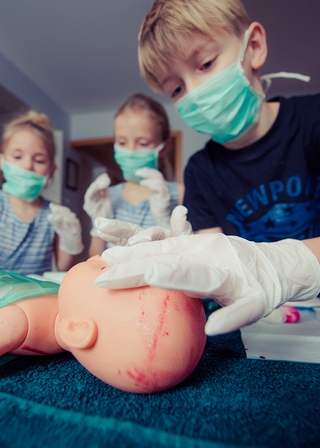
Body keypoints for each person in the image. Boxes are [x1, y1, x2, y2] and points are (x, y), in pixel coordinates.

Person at [92, 0, 320, 333]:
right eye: (177, 88)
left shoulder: (313, 122)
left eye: (206, 63)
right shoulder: (199, 173)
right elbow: (218, 269)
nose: (195, 93)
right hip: (262, 326)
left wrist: (288, 267)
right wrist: (188, 259)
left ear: (253, 47)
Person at [0, 258, 206, 393]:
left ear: (76, 330)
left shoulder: (18, 323)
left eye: (102, 268)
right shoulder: (67, 303)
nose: (99, 257)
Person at [83, 93, 184, 257]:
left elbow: (191, 257)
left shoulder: (178, 193)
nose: (130, 151)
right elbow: (95, 259)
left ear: (164, 147)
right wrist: (98, 224)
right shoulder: (109, 196)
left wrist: (165, 221)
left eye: (142, 143)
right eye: (122, 142)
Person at [0, 110, 84, 275]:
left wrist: (71, 242)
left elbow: (64, 268)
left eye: (39, 160)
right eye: (18, 157)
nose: (28, 166)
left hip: (36, 296)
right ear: (2, 161)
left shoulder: (54, 215)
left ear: (51, 171)